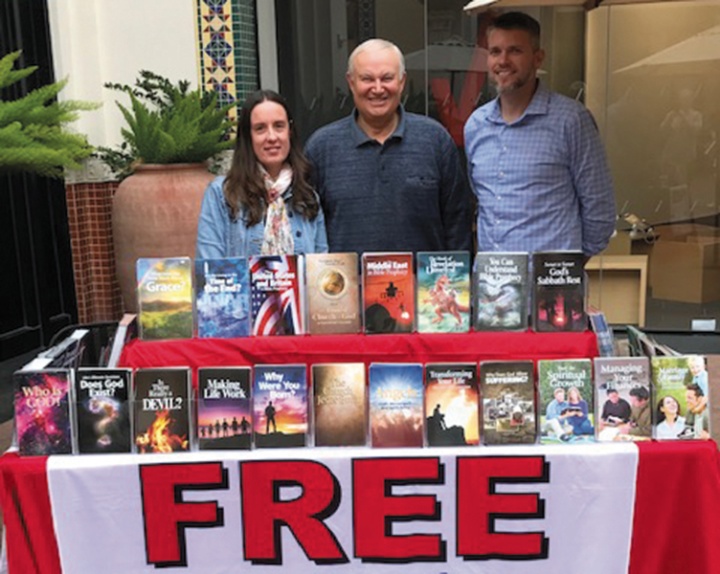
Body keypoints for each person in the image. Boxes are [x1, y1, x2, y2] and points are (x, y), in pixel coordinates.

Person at [463, 12, 616, 260]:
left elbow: (600, 209)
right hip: (494, 289)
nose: (503, 60)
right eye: (495, 51)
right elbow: (480, 198)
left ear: (538, 58)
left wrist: (566, 268)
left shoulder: (571, 120)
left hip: (551, 289)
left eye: (514, 51)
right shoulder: (476, 126)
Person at [305, 38, 473, 255]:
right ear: (351, 82)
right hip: (347, 287)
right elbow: (307, 231)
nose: (377, 88)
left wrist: (458, 282)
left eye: (387, 78)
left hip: (424, 287)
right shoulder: (321, 148)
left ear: (402, 81)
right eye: (367, 78)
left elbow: (457, 224)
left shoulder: (435, 141)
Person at [196, 89, 328, 259]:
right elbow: (211, 270)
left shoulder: (308, 197)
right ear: (248, 137)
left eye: (279, 126)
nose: (272, 137)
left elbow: (320, 270)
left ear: (290, 131)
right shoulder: (221, 195)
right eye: (260, 129)